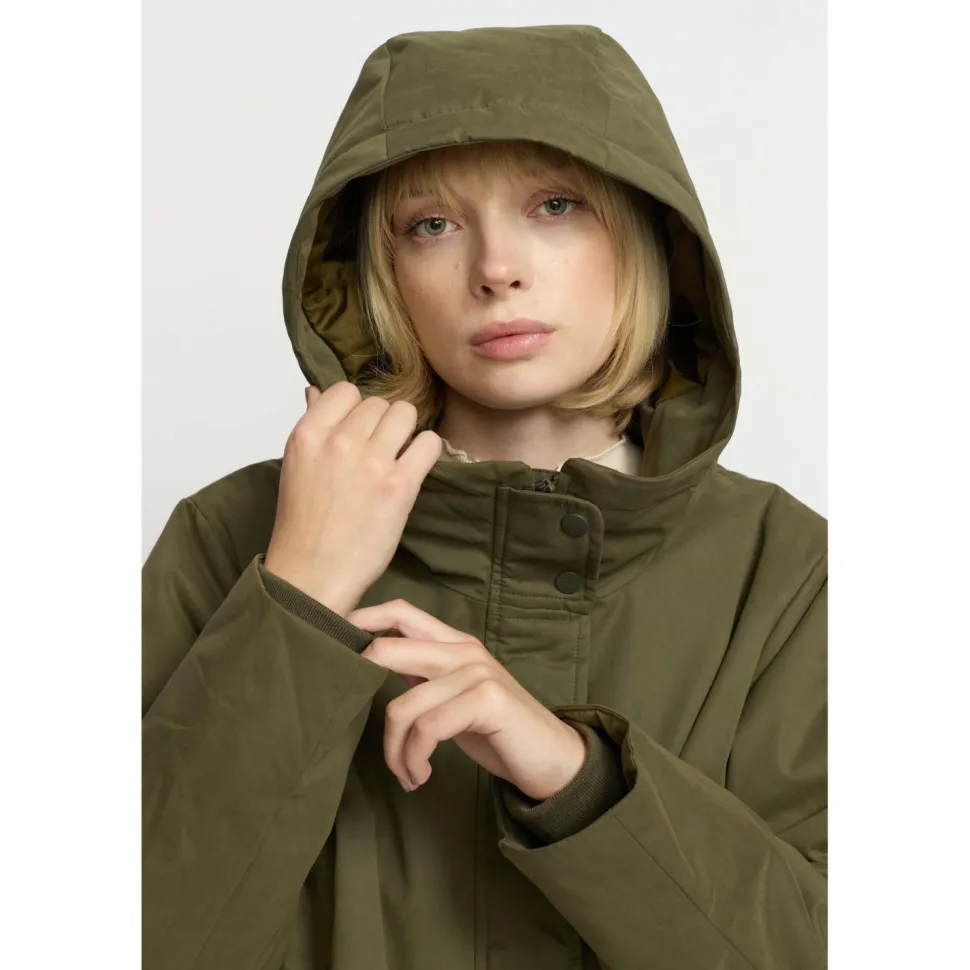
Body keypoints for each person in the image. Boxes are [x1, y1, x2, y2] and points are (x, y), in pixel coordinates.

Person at [142, 23, 827, 970]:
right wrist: (298, 598)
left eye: (556, 205)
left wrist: (578, 780)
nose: (496, 268)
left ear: (646, 238)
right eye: (432, 225)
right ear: (379, 273)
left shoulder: (787, 571)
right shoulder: (231, 540)